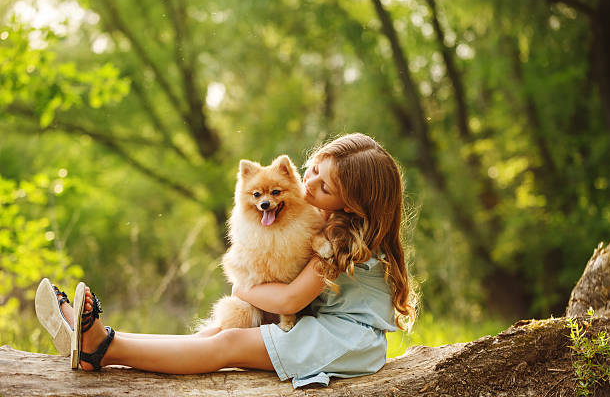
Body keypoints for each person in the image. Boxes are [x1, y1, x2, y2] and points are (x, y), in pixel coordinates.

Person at [37, 133, 418, 388]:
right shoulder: (328, 219)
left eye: (324, 186)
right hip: (333, 332)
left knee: (229, 343)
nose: (310, 184)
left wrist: (243, 287)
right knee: (212, 335)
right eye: (313, 170)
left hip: (343, 340)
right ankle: (97, 340)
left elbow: (288, 301)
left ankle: (100, 346)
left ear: (353, 204)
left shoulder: (342, 237)